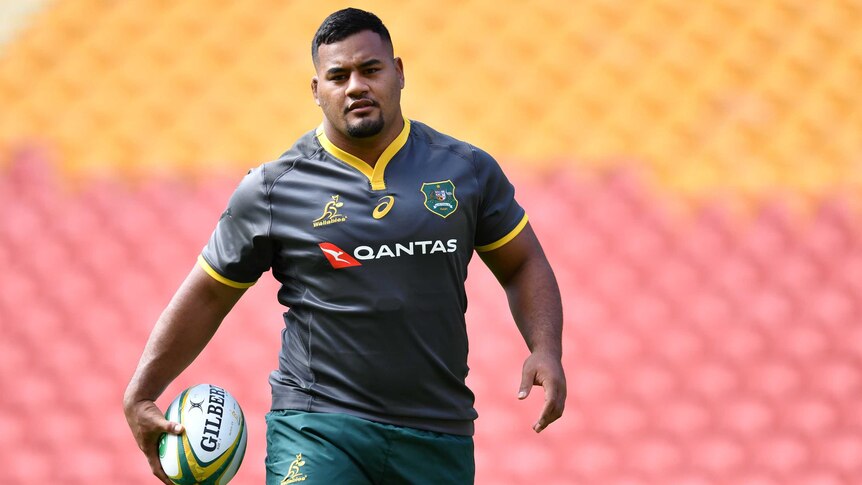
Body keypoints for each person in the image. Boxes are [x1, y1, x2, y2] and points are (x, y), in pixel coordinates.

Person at [124, 7, 566, 484]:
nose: (356, 85)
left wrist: (545, 348)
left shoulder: (466, 170)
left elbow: (522, 263)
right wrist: (142, 392)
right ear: (317, 91)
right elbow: (209, 293)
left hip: (438, 432)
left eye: (370, 69)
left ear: (398, 72)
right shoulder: (273, 189)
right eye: (338, 75)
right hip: (318, 427)